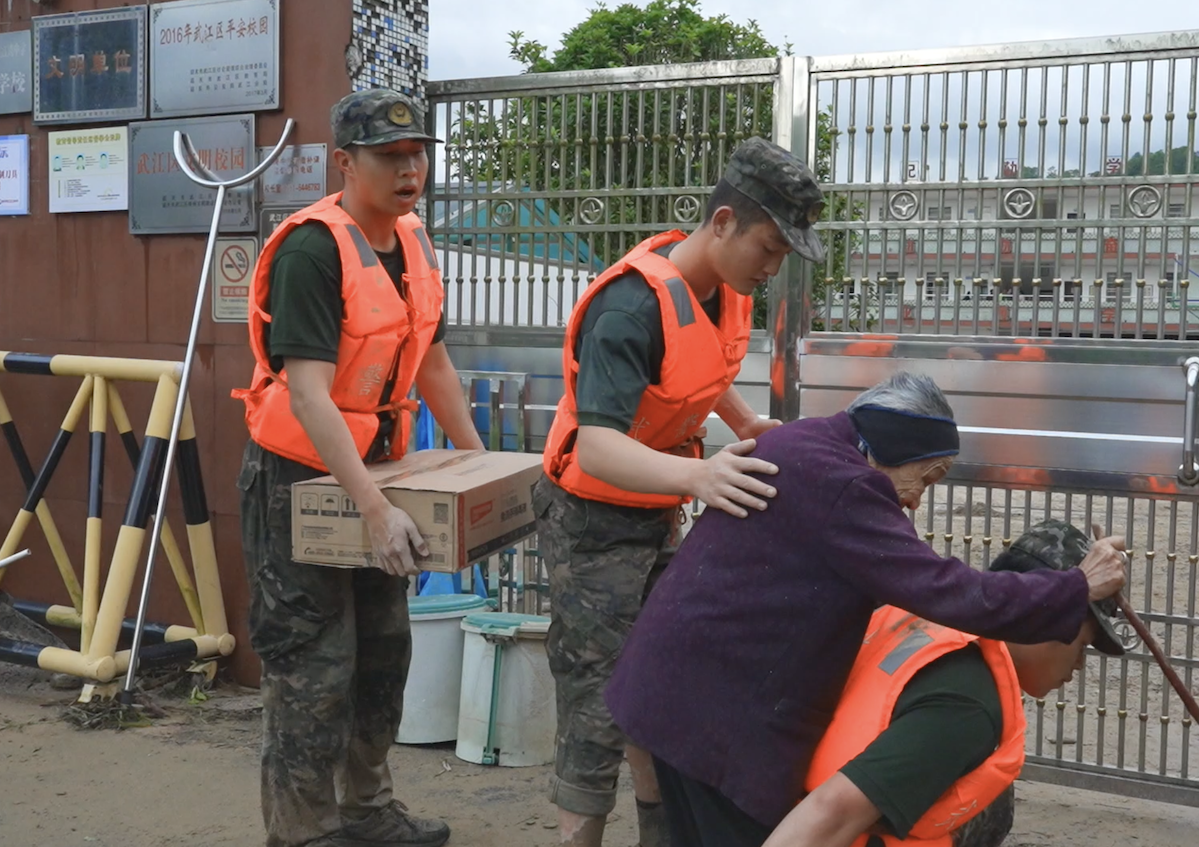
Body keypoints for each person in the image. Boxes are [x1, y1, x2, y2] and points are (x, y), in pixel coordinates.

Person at [604, 372, 1129, 847]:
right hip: (714, 716)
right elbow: (946, 591)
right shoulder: (850, 486)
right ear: (897, 446)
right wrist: (1075, 587)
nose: (917, 500)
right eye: (926, 478)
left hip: (672, 688)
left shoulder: (800, 441)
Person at [532, 136, 828, 847]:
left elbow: (699, 367)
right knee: (600, 701)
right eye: (769, 245)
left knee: (662, 685)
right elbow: (600, 447)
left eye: (784, 252)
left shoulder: (722, 291)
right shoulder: (631, 306)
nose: (773, 264)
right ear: (722, 222)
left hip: (654, 510)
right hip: (590, 519)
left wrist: (743, 420)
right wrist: (700, 474)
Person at [233, 89, 483, 847]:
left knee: (382, 653)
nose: (410, 170)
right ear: (345, 162)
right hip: (298, 481)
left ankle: (368, 811)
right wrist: (373, 509)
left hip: (383, 468)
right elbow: (308, 393)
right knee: (314, 664)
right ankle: (304, 832)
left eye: (417, 155)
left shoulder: (415, 241)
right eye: (389, 157)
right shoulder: (315, 247)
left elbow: (430, 358)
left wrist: (478, 464)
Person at [764, 519, 1127, 847]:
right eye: (1081, 645)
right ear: (1044, 620)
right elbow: (832, 812)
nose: (1079, 665)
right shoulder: (967, 703)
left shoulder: (930, 620)